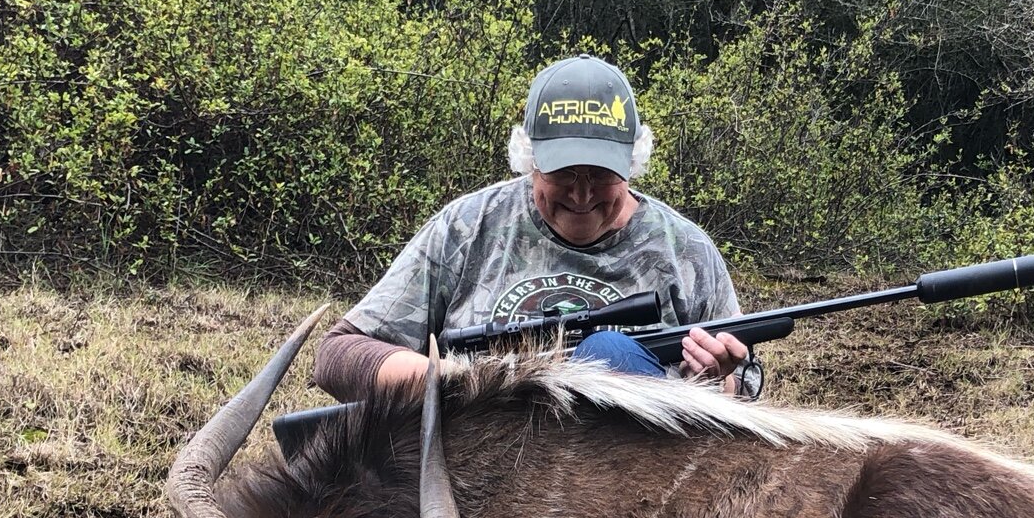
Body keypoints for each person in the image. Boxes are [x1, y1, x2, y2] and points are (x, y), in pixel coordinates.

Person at [313, 54, 759, 401]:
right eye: (563, 173)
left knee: (612, 355)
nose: (582, 196)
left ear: (632, 164)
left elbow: (744, 390)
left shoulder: (687, 251)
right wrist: (462, 381)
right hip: (476, 467)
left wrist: (714, 382)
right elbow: (339, 354)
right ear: (529, 160)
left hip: (633, 485)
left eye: (602, 175)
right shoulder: (467, 228)